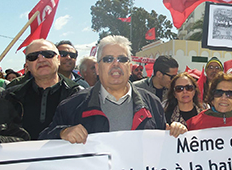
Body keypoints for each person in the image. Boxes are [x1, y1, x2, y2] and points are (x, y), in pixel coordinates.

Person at [39, 35, 186, 143]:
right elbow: (43, 143)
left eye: (122, 59)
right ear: (97, 68)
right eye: (108, 59)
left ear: (129, 67)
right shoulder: (72, 105)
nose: (116, 64)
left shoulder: (152, 103)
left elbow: (162, 147)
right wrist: (62, 133)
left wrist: (174, 132)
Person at [3, 39, 82, 140]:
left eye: (48, 54)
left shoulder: (78, 95)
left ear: (58, 59)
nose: (41, 60)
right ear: (27, 64)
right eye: (33, 57)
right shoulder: (11, 97)